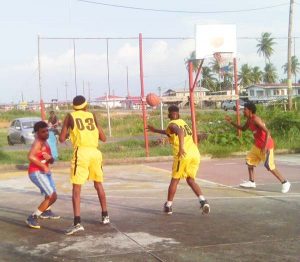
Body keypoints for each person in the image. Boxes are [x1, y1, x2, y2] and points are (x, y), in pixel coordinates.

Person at [59, 95, 109, 235]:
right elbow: (103, 138)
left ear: (74, 107)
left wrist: (68, 133)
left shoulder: (70, 116)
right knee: (98, 184)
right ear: (86, 106)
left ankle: (77, 223)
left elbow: (62, 139)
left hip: (81, 152)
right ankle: (105, 216)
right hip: (95, 152)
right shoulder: (92, 115)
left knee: (76, 189)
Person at [147, 105, 210, 215]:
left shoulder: (172, 124)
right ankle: (203, 201)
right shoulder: (182, 122)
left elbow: (180, 132)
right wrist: (155, 130)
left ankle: (168, 206)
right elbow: (169, 132)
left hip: (183, 155)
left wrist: (181, 148)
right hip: (195, 154)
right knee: (190, 180)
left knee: (175, 180)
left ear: (169, 113)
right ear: (178, 113)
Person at [225, 102, 291, 193]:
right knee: (249, 160)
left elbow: (268, 132)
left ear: (250, 110)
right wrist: (231, 122)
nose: (243, 111)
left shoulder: (256, 119)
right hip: (257, 145)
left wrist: (264, 147)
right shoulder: (249, 120)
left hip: (266, 145)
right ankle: (251, 182)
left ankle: (285, 182)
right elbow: (243, 129)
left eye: (245, 109)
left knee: (269, 166)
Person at [26, 121, 60, 229]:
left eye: (47, 131)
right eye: (43, 132)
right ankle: (32, 217)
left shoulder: (45, 143)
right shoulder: (38, 143)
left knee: (52, 194)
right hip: (36, 172)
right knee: (52, 196)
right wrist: (43, 166)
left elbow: (51, 160)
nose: (46, 133)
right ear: (37, 133)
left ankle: (46, 211)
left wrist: (50, 159)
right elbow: (31, 156)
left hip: (45, 172)